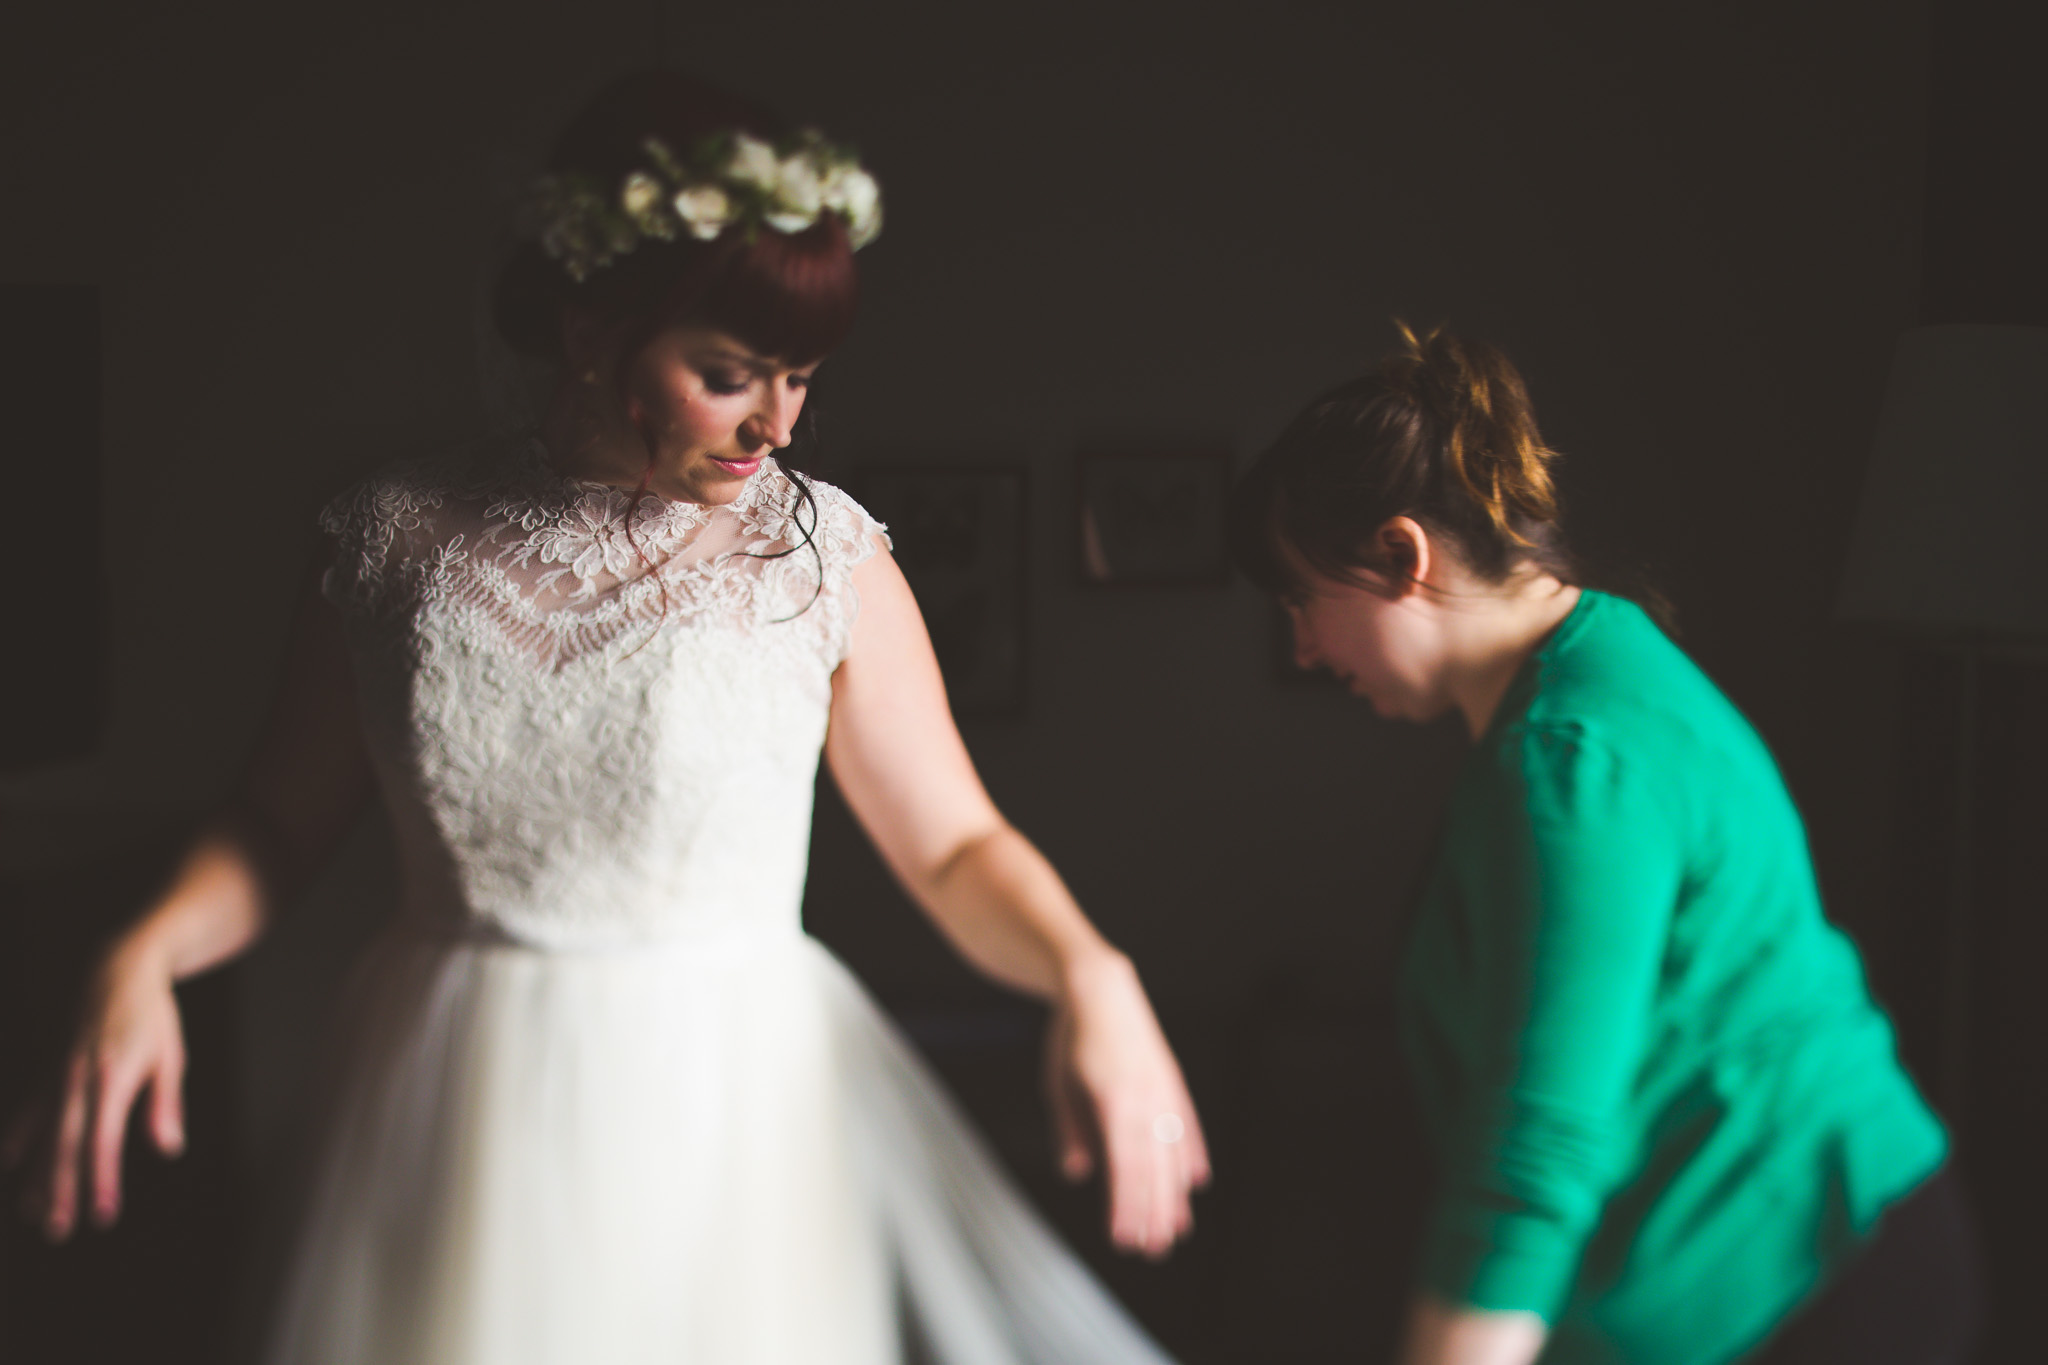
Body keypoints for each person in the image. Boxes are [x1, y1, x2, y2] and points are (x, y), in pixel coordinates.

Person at [7, 71, 1208, 1364]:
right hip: (455, 1107)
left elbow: (953, 844)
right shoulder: (391, 545)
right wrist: (144, 953)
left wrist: (1095, 970)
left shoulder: (826, 562)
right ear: (590, 329)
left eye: (800, 375)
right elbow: (273, 826)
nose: (777, 422)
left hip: (739, 1126)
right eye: (728, 373)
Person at [1231, 324, 1982, 1365]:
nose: (1305, 647)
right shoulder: (1597, 664)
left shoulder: (1570, 757)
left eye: (1299, 602)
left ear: (1400, 556)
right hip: (1803, 1254)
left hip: (1808, 1274)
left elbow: (1534, 1144)